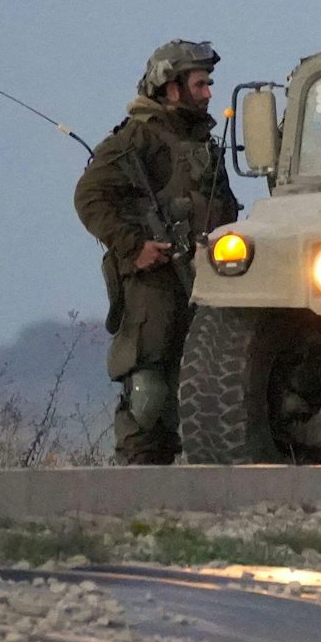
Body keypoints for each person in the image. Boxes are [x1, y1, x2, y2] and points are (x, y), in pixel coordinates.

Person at [75, 40, 240, 463]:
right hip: (154, 282)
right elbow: (90, 195)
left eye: (209, 84)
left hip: (204, 280)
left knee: (205, 385)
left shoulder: (201, 140)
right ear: (170, 87)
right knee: (148, 389)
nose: (208, 94)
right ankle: (138, 487)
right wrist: (134, 247)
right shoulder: (137, 137)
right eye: (200, 84)